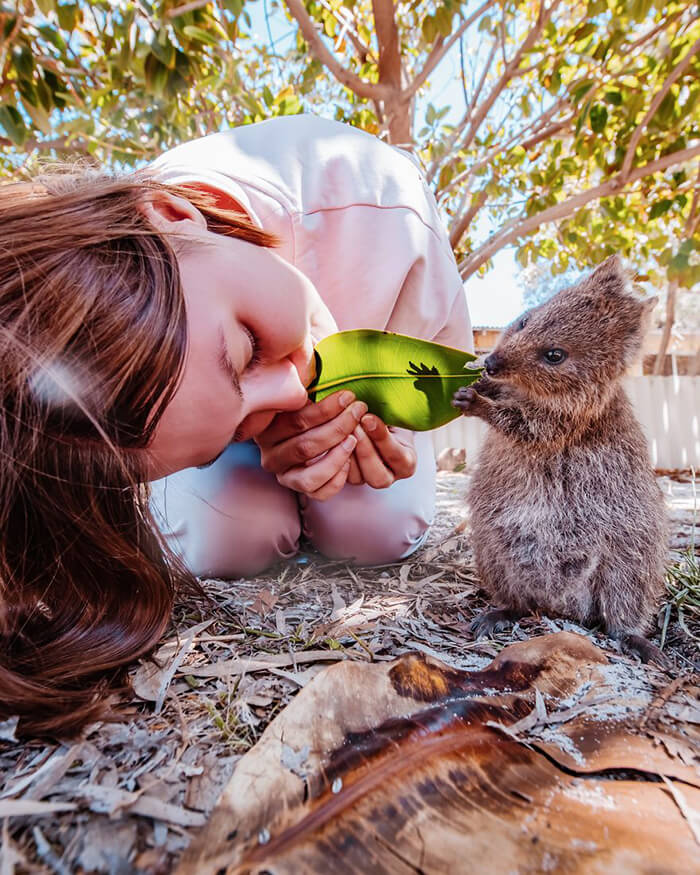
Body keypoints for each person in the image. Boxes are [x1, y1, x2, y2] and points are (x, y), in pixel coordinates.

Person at [0, 114, 472, 736]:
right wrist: (243, 431)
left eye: (247, 345)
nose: (291, 389)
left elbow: (451, 383)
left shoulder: (387, 211)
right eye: (217, 440)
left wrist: (385, 437)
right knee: (221, 544)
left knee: (375, 528)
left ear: (172, 216)